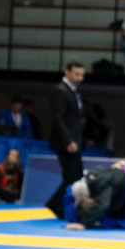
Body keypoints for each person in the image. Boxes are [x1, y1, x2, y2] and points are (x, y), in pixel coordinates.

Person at [45, 61, 85, 219]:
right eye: (77, 74)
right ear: (67, 72)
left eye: (82, 75)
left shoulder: (72, 91)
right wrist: (68, 140)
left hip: (73, 141)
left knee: (74, 176)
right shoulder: (60, 91)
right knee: (73, 177)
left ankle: (58, 205)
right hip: (66, 142)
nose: (80, 78)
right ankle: (55, 204)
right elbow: (58, 119)